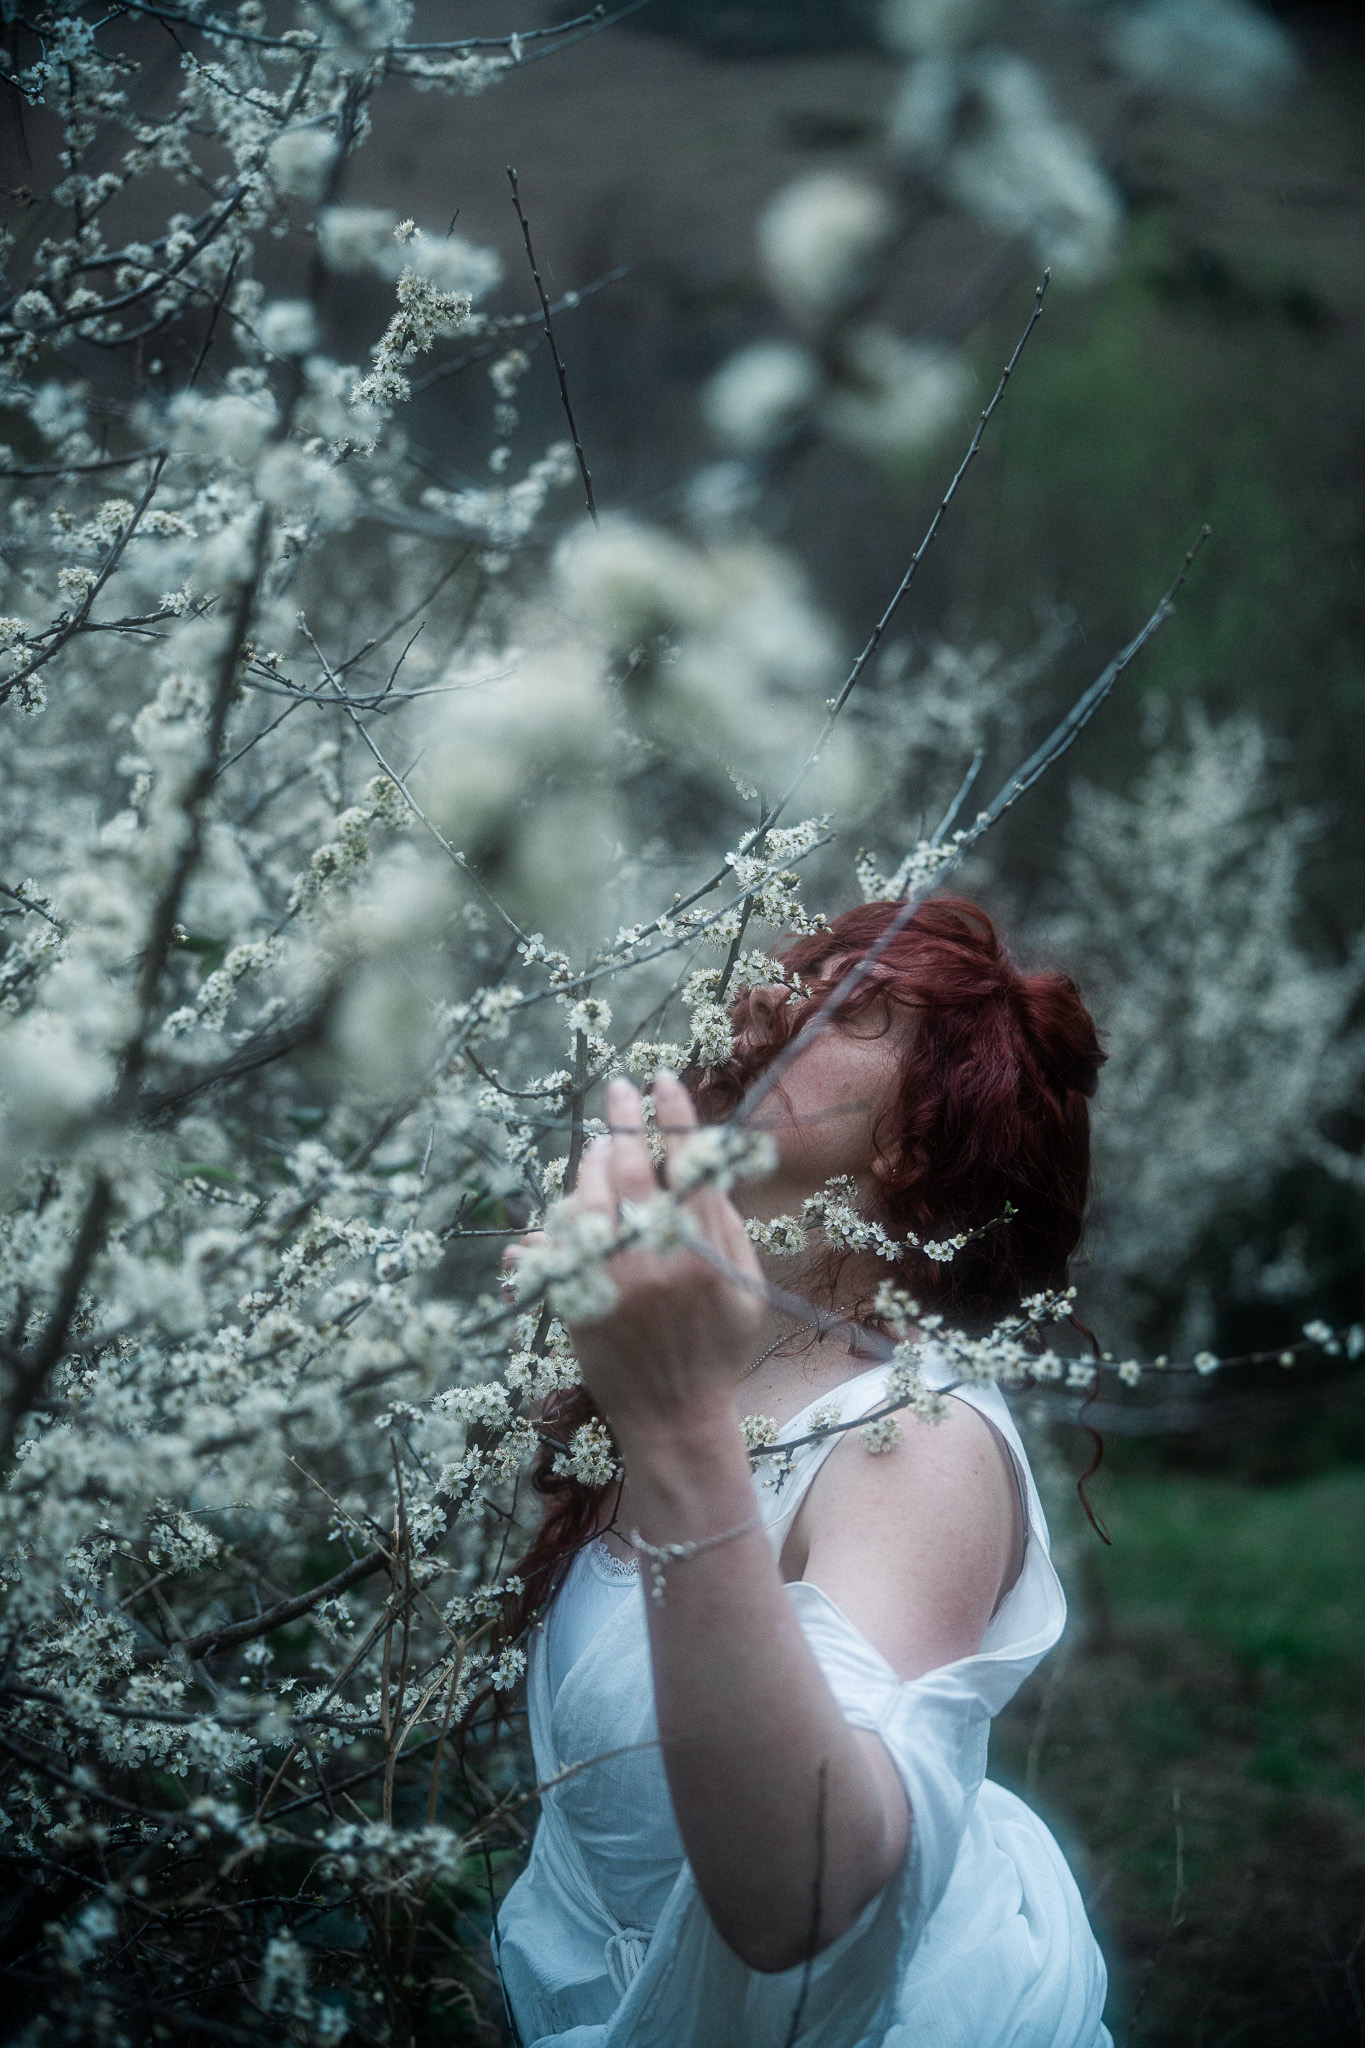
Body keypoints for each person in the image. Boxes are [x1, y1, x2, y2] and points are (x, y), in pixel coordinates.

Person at [493, 898, 1113, 2047]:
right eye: (792, 969)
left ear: (914, 1139)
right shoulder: (690, 1349)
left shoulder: (914, 1437)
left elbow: (814, 1904)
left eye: (849, 1006)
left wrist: (676, 1432)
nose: (766, 999)